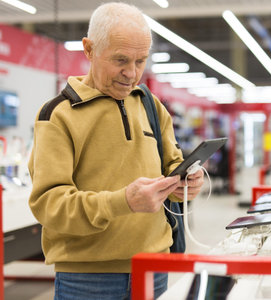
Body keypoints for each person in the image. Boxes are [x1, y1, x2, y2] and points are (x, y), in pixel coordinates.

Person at [28, 2, 204, 299]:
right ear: (89, 49)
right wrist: (122, 202)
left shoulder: (151, 105)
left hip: (153, 268)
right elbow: (49, 205)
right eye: (121, 60)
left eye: (140, 61)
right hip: (88, 278)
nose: (131, 74)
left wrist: (187, 182)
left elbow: (174, 166)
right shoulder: (58, 115)